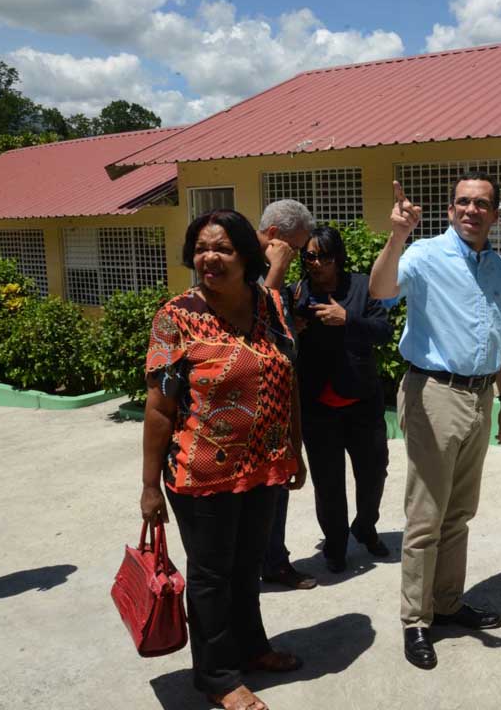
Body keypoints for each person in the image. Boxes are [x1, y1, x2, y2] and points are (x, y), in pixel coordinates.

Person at [141, 210, 308, 710]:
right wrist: (150, 486)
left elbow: (290, 381)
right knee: (212, 575)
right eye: (201, 248)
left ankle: (252, 648)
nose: (209, 258)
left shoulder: (273, 305)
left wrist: (294, 448)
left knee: (247, 566)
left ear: (247, 256)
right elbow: (158, 407)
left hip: (265, 466)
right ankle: (216, 675)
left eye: (223, 249)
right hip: (201, 472)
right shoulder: (176, 317)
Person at [370, 173, 501, 670]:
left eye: (482, 203)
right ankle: (416, 619)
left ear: (495, 214)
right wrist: (397, 236)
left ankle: (448, 603)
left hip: (480, 398)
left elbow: (500, 338)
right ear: (451, 209)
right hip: (434, 392)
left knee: (460, 513)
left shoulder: (496, 264)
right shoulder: (425, 254)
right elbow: (381, 288)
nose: (471, 210)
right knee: (426, 516)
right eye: (462, 202)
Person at [290, 225, 394, 573]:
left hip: (362, 401)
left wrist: (347, 318)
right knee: (328, 483)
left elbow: (383, 331)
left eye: (325, 256)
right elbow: (274, 341)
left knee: (374, 472)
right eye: (310, 256)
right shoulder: (296, 293)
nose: (317, 263)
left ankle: (365, 527)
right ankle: (335, 545)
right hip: (318, 406)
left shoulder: (364, 286)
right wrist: (293, 329)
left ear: (339, 257)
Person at [255, 198, 319, 591]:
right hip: (250, 407)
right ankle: (265, 564)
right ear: (275, 237)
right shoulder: (246, 269)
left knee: (277, 488)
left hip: (277, 404)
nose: (297, 258)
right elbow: (247, 324)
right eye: (295, 248)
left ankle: (273, 561)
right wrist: (277, 271)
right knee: (259, 497)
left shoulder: (268, 272)